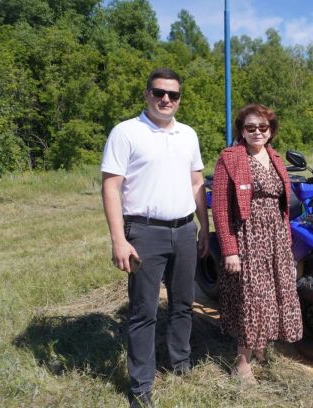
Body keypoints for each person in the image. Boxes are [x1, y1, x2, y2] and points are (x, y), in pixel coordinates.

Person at [101, 68, 209, 408]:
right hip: (144, 232)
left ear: (179, 99)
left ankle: (180, 363)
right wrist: (119, 239)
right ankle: (141, 386)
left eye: (173, 95)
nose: (166, 99)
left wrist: (203, 227)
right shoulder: (126, 132)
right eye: (159, 93)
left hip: (184, 229)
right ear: (147, 94)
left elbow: (196, 183)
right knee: (144, 311)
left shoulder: (188, 135)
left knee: (182, 304)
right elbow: (111, 186)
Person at [211, 104, 303, 384]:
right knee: (252, 299)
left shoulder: (274, 157)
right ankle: (242, 363)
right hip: (248, 237)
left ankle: (261, 346)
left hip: (275, 237)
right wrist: (229, 249)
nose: (257, 132)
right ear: (241, 130)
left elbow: (282, 204)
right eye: (250, 127)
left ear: (271, 130)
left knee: (274, 293)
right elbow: (221, 209)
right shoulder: (230, 158)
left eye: (263, 127)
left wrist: (286, 243)